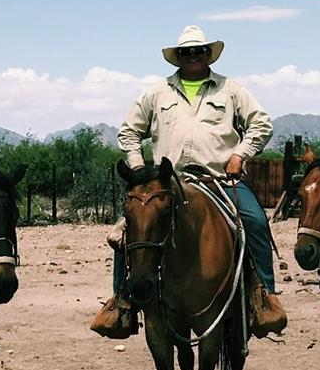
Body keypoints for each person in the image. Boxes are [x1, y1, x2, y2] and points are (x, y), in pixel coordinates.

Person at [115, 25, 286, 335]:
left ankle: (263, 298)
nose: (192, 56)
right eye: (186, 51)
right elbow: (128, 133)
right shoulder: (156, 93)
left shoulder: (231, 90)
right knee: (128, 231)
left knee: (256, 223)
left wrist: (240, 154)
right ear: (177, 57)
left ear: (208, 54)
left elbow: (261, 124)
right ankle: (121, 304)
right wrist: (142, 174)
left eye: (198, 50)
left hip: (219, 178)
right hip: (169, 182)